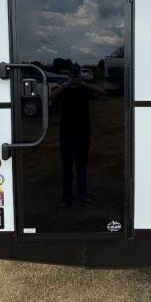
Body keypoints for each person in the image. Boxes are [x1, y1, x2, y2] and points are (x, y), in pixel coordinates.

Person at [50, 65, 106, 207]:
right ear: (69, 75)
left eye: (76, 75)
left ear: (80, 75)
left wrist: (85, 84)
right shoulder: (63, 89)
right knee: (67, 166)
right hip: (66, 134)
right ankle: (66, 197)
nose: (75, 77)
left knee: (81, 166)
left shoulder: (84, 89)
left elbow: (102, 92)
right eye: (73, 75)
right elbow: (52, 96)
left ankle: (82, 195)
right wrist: (66, 84)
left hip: (83, 133)